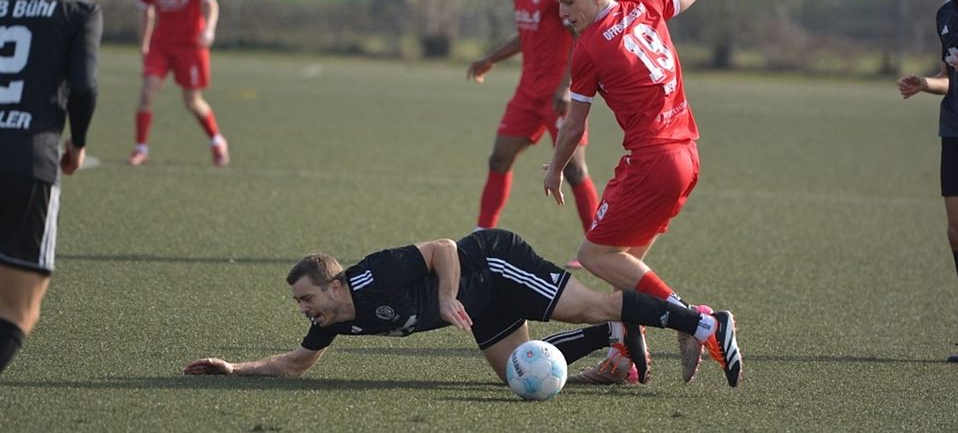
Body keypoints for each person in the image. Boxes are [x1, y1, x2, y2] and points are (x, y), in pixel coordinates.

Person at [542, 0, 740, 386]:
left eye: (570, 2)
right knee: (623, 269)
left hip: (652, 160)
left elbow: (572, 126)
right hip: (687, 156)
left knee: (593, 255)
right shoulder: (644, 6)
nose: (564, 14)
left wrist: (553, 168)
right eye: (558, 6)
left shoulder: (589, 47)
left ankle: (699, 321)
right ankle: (623, 360)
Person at [183, 229, 742, 388]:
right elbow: (294, 365)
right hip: (481, 306)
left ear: (333, 284)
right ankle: (618, 334)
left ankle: (703, 322)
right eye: (300, 304)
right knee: (518, 373)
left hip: (492, 266)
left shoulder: (373, 274)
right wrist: (235, 368)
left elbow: (444, 249)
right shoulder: (336, 318)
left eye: (307, 298)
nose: (305, 310)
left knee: (587, 304)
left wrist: (448, 295)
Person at [0, 0, 102, 374]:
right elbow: (83, 87)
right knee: (17, 311)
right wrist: (77, 142)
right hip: (29, 162)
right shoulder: (78, 10)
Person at [467, 0, 598, 268]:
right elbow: (526, 36)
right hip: (527, 93)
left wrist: (567, 87)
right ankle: (481, 237)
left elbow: (578, 38)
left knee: (573, 171)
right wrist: (490, 58)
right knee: (498, 159)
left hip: (558, 95)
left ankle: (598, 245)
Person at [897, 0, 958, 363]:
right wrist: (926, 83)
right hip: (954, 129)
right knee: (957, 229)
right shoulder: (945, 14)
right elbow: (950, 79)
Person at [127, 0, 228, 167]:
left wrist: (209, 29)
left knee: (192, 101)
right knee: (147, 92)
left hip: (191, 46)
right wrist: (145, 42)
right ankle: (141, 149)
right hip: (161, 45)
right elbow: (145, 12)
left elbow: (210, 5)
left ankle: (217, 141)